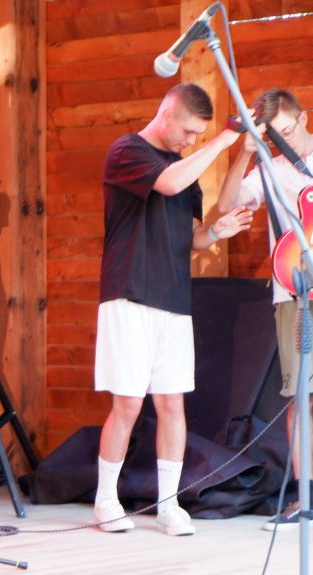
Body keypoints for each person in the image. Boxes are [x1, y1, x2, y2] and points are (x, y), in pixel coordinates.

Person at [93, 83, 253, 536]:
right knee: (128, 402)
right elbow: (168, 182)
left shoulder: (185, 169)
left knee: (172, 401)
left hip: (174, 299)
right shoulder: (128, 150)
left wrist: (217, 231)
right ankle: (106, 501)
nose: (192, 140)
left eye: (199, 135)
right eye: (189, 131)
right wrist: (223, 140)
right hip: (129, 294)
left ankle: (168, 504)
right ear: (167, 114)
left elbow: (193, 237)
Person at [216, 87, 313, 531]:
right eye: (276, 137)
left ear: (304, 118)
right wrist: (245, 153)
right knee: (300, 395)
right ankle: (305, 496)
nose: (285, 142)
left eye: (289, 131)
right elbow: (225, 205)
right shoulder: (269, 170)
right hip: (293, 292)